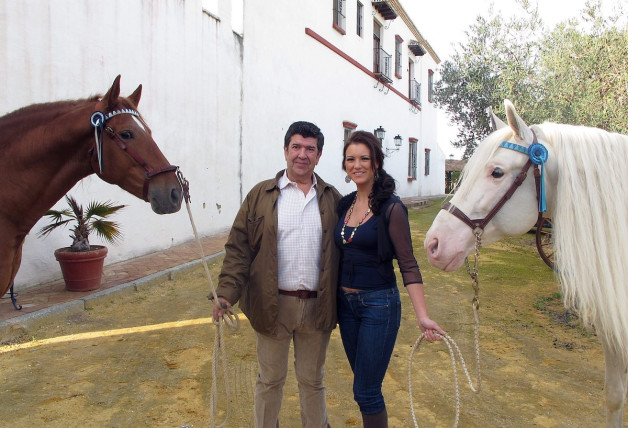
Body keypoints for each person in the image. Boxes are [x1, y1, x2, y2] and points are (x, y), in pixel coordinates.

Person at [212, 121, 341, 428]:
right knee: (270, 380)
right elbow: (239, 248)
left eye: (310, 149)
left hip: (317, 307)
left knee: (313, 381)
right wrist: (226, 293)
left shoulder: (334, 199)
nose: (302, 155)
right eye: (296, 147)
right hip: (272, 304)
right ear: (285, 150)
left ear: (319, 156)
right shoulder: (260, 196)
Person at [335, 130, 446, 428]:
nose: (357, 165)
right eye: (351, 159)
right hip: (345, 307)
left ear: (376, 163)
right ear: (345, 165)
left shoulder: (392, 208)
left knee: (366, 391)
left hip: (378, 306)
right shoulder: (343, 206)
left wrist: (422, 316)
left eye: (364, 159)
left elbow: (408, 264)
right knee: (363, 387)